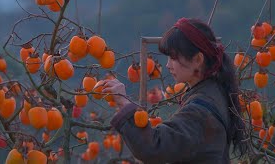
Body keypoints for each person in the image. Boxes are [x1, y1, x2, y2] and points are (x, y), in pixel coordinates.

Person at [101, 18, 248, 164]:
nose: (167, 65)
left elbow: (154, 147)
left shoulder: (200, 112)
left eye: (173, 58)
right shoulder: (215, 90)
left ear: (197, 59)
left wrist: (124, 104)